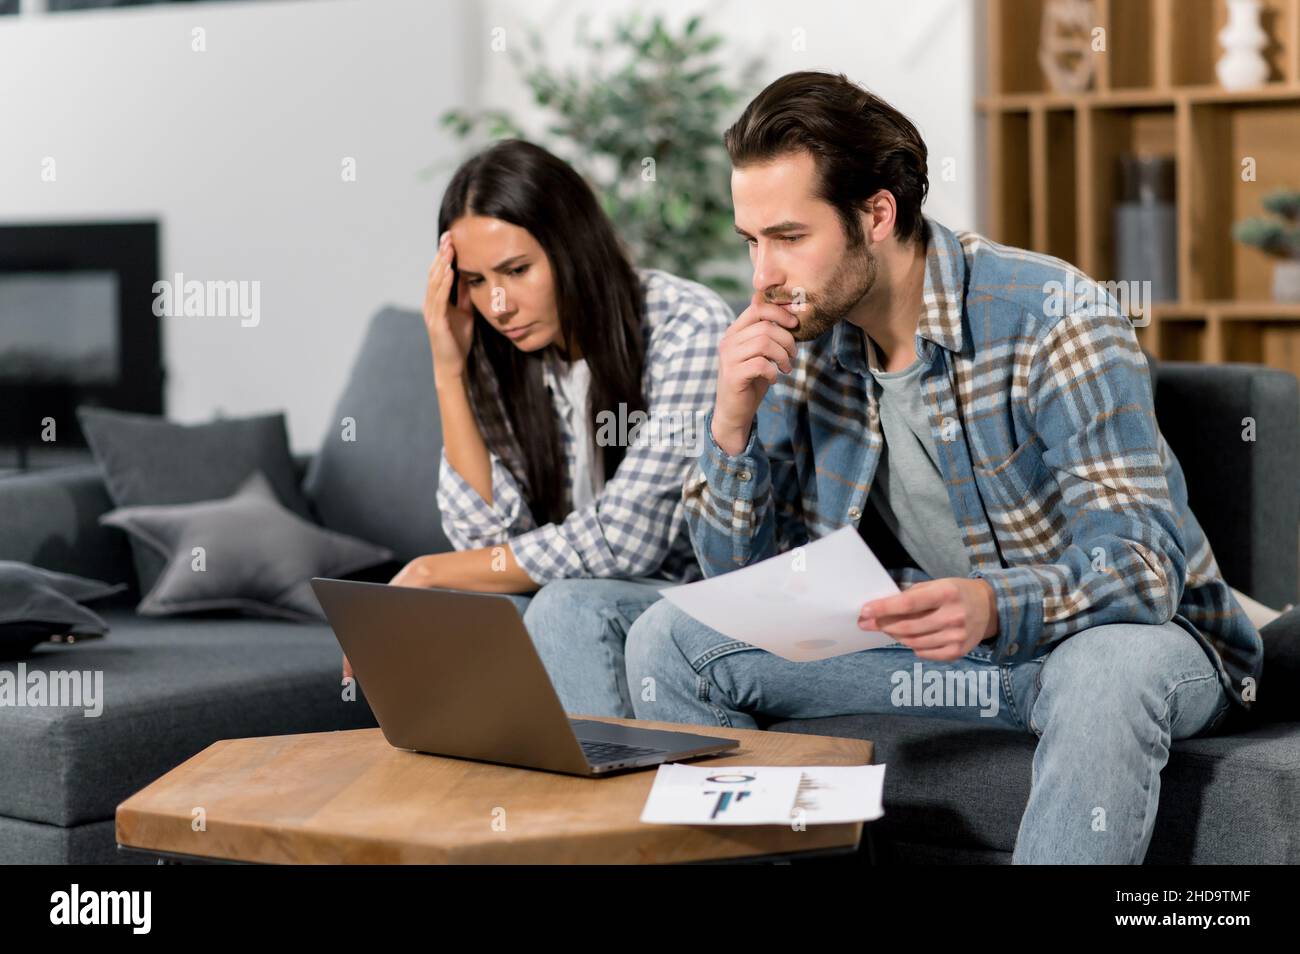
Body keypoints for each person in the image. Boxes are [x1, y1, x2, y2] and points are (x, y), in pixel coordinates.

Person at [623, 71, 1263, 863]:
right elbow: (740, 585)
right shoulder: (806, 344)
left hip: (1132, 640)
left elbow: (1143, 569)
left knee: (1100, 674)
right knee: (670, 638)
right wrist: (731, 424)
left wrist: (996, 603)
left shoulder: (1053, 317)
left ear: (877, 215)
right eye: (750, 241)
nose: (762, 276)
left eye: (789, 237)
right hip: (965, 655)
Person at [345, 139, 730, 720]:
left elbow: (625, 541)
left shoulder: (687, 326)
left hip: (690, 598)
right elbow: (485, 541)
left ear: (574, 247)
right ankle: (480, 810)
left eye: (516, 271)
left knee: (563, 607)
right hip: (575, 591)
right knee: (458, 613)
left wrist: (427, 570)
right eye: (475, 280)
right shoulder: (499, 351)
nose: (497, 305)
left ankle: (593, 808)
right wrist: (448, 369)